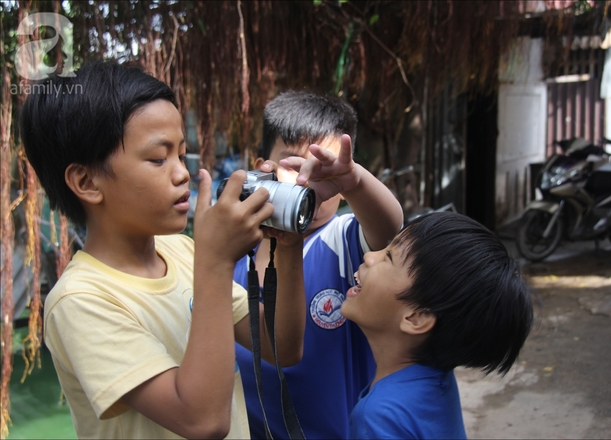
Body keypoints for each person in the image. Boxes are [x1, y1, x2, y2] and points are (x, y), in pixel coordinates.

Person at [19, 61, 307, 439]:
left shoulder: (182, 252)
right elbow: (202, 421)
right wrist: (216, 263)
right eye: (158, 159)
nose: (182, 173)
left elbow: (282, 346)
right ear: (87, 181)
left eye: (181, 155)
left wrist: (288, 247)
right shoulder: (80, 300)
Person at [233, 90, 404, 439]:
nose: (308, 180)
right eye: (293, 164)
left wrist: (355, 182)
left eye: (325, 171)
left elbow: (389, 227)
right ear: (263, 166)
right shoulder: (235, 249)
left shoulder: (344, 239)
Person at [341, 211, 535, 439]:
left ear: (416, 318)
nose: (370, 256)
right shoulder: (435, 381)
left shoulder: (379, 416)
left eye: (389, 257)